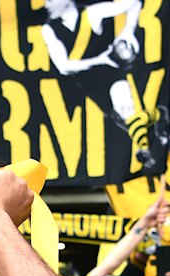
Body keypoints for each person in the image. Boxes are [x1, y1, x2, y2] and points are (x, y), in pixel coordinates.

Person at [41, 0, 168, 170]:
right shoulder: (49, 29)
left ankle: (146, 150)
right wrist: (99, 60)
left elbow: (134, 3)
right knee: (122, 117)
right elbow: (64, 67)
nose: (46, 4)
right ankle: (159, 117)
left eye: (50, 0)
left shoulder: (92, 13)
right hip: (87, 85)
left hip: (110, 75)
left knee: (125, 106)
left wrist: (128, 31)